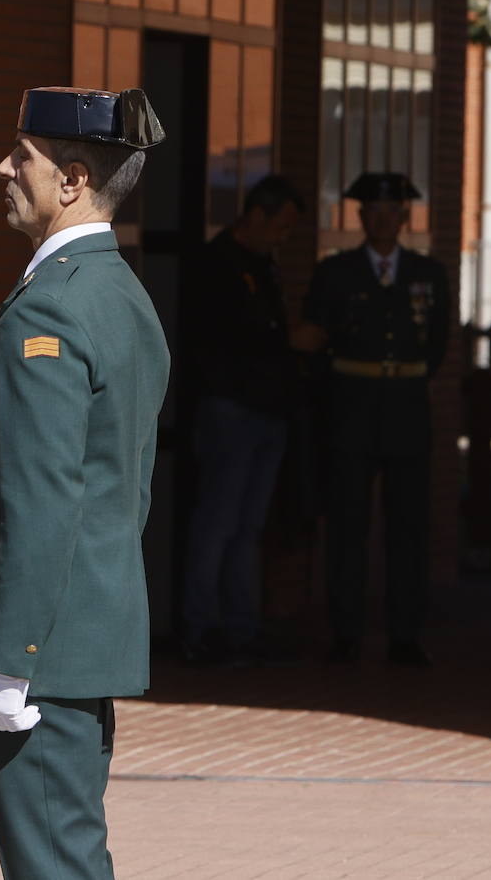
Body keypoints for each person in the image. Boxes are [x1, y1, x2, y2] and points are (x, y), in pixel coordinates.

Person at [0, 86, 169, 879]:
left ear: (70, 180)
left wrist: (13, 656)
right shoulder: (119, 294)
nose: (3, 168)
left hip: (45, 651)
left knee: (54, 861)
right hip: (80, 635)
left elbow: (44, 498)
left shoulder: (52, 309)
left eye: (21, 157)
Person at [298, 172, 449, 666]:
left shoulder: (429, 273)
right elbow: (316, 343)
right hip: (352, 410)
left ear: (405, 218)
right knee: (348, 527)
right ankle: (347, 632)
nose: (384, 219)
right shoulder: (336, 272)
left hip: (406, 410)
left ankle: (406, 634)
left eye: (393, 211)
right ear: (361, 218)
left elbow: (440, 346)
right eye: (374, 211)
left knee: (409, 528)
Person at [177, 174, 302, 665]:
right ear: (256, 216)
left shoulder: (264, 266)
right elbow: (218, 343)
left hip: (268, 411)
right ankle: (199, 627)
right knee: (218, 523)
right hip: (230, 410)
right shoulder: (218, 264)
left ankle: (241, 628)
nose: (284, 237)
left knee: (248, 527)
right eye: (282, 226)